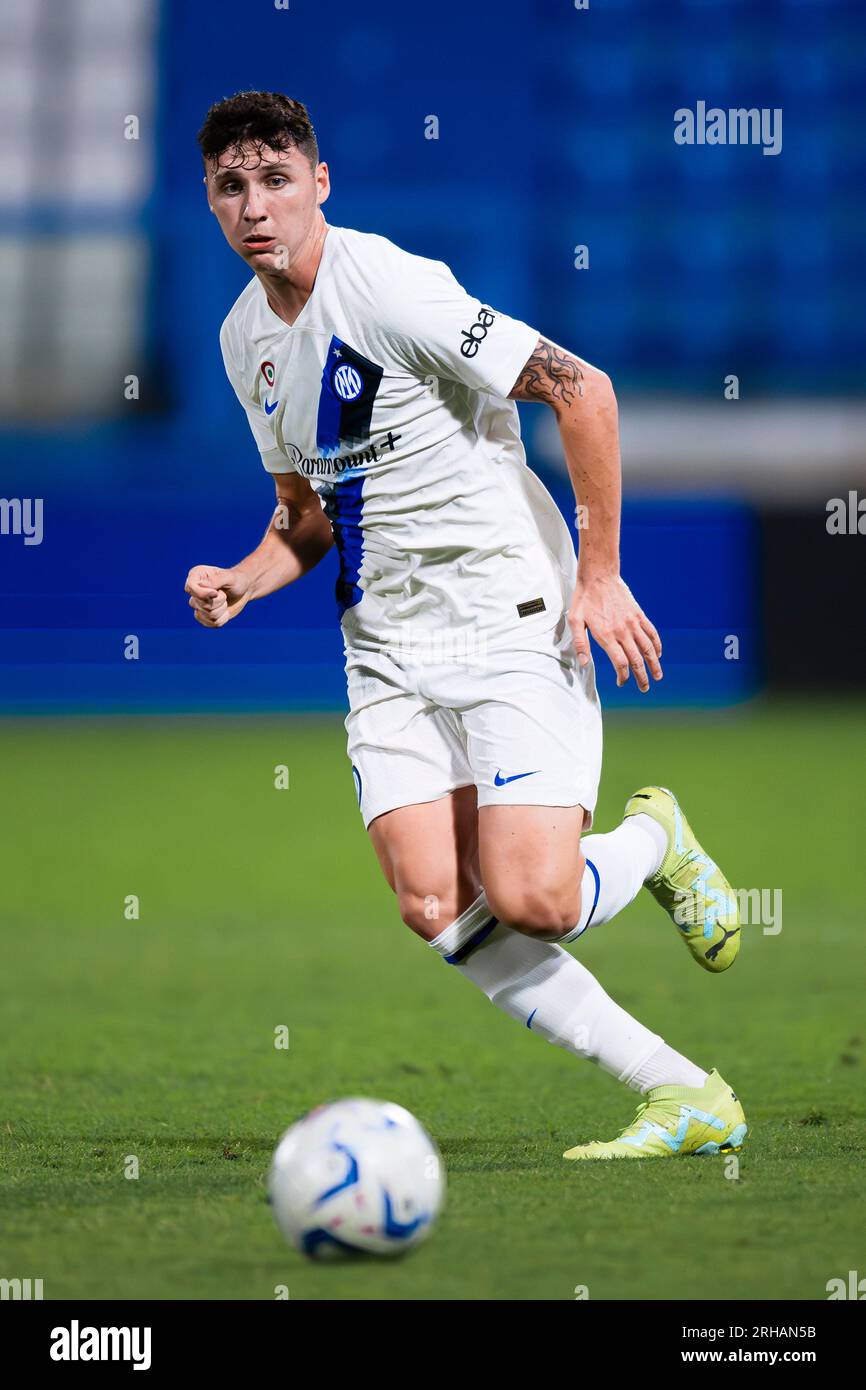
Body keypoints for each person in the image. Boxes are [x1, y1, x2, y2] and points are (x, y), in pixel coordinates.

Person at [185, 90, 746, 1159]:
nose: (255, 204)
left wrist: (599, 574)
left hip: (506, 615)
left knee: (532, 896)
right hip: (384, 648)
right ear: (209, 203)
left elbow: (580, 390)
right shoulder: (241, 339)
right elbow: (306, 514)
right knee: (435, 901)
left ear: (319, 183)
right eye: (230, 186)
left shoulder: (387, 285)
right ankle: (681, 1092)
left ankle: (651, 839)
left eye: (274, 178)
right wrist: (247, 576)